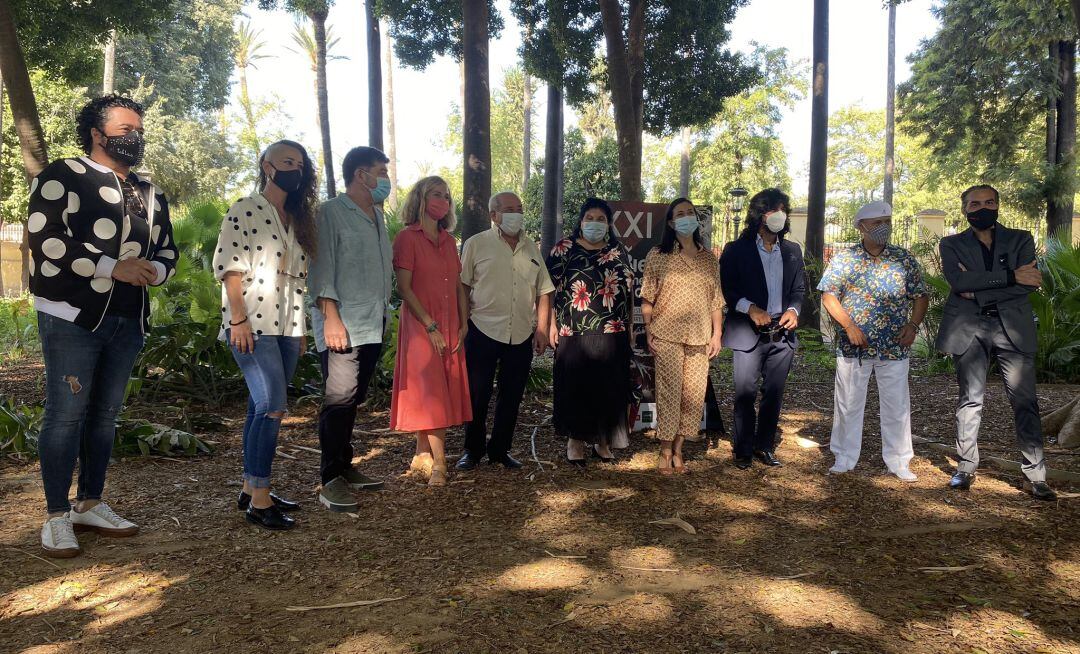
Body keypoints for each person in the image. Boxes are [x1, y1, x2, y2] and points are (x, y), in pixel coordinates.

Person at [30, 94, 178, 558]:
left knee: (105, 416)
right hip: (72, 315)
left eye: (138, 129)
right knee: (66, 414)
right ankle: (56, 516)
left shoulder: (150, 192)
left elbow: (167, 251)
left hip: (127, 318)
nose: (134, 137)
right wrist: (110, 267)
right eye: (123, 129)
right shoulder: (64, 175)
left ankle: (89, 503)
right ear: (97, 133)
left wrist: (155, 272)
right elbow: (45, 238)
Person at [213, 140, 318, 530]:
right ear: (267, 165)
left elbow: (299, 280)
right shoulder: (246, 208)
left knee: (260, 407)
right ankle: (260, 499)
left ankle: (249, 486)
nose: (296, 168)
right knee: (273, 406)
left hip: (288, 326)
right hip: (253, 325)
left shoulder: (297, 217)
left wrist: (301, 329)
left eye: (301, 163)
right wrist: (237, 320)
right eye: (288, 161)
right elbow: (230, 268)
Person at [936, 185, 1055, 500]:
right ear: (965, 209)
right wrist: (1011, 276)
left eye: (989, 202)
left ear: (998, 206)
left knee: (1025, 402)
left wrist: (979, 288)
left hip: (1011, 327)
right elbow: (958, 282)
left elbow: (1029, 285)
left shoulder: (1021, 239)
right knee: (970, 400)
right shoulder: (951, 243)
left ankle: (1037, 475)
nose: (982, 208)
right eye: (975, 203)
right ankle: (965, 468)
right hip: (969, 328)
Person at [308, 146, 392, 512]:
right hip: (341, 323)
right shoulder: (330, 213)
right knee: (339, 399)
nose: (386, 179)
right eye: (381, 171)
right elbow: (321, 268)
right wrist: (331, 317)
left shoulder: (377, 215)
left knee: (353, 398)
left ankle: (345, 465)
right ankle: (330, 480)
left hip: (373, 321)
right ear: (361, 174)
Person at [818, 200, 928, 481]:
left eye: (887, 221)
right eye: (877, 222)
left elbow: (921, 296)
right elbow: (829, 295)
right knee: (848, 404)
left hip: (895, 346)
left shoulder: (903, 259)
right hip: (854, 346)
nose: (883, 227)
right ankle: (843, 457)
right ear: (861, 227)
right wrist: (849, 326)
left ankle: (899, 461)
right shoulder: (845, 258)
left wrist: (913, 326)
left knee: (897, 406)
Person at [457, 191, 554, 471]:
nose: (516, 214)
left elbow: (544, 290)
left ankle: (500, 449)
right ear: (493, 215)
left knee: (512, 394)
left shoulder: (531, 248)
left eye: (519, 208)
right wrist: (463, 323)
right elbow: (462, 286)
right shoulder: (476, 245)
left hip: (521, 333)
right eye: (509, 209)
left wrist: (542, 329)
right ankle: (472, 450)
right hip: (482, 329)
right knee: (478, 393)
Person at [390, 176, 472, 486]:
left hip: (451, 324)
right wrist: (431, 325)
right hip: (422, 324)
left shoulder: (449, 241)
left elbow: (459, 287)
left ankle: (421, 453)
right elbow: (405, 289)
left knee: (441, 388)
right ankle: (440, 463)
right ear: (421, 199)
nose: (444, 201)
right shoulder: (406, 239)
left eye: (447, 196)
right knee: (433, 391)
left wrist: (463, 322)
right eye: (436, 194)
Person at [719, 189, 806, 470]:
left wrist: (794, 310)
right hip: (748, 333)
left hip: (782, 334)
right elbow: (727, 290)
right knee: (744, 392)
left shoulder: (792, 251)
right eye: (773, 210)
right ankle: (742, 448)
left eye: (783, 210)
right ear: (759, 215)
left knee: (774, 392)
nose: (779, 216)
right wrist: (750, 307)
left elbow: (798, 289)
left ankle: (764, 446)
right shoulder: (736, 250)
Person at [547, 198, 635, 465]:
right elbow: (547, 290)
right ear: (581, 221)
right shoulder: (564, 249)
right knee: (576, 387)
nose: (594, 223)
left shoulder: (618, 251)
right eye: (589, 218)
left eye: (600, 219)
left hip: (613, 330)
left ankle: (602, 441)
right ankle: (575, 442)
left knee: (608, 388)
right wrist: (549, 324)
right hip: (573, 331)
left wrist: (629, 328)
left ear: (608, 224)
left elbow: (628, 294)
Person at [640, 198, 724, 474]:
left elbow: (716, 301)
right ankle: (664, 450)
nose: (687, 217)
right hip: (667, 336)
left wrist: (717, 334)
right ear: (671, 222)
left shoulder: (708, 259)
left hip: (700, 338)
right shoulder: (659, 255)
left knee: (693, 396)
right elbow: (647, 299)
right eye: (681, 214)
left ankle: (679, 449)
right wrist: (649, 330)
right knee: (669, 393)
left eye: (691, 213)